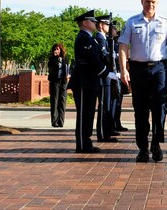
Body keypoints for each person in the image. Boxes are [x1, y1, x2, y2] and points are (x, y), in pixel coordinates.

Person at [118, 0, 167, 163]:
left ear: (157, 3)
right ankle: (143, 148)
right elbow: (123, 46)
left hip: (159, 68)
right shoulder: (131, 22)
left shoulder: (166, 22)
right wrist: (124, 70)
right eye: (147, 1)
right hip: (137, 69)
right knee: (140, 109)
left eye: (153, 2)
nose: (150, 5)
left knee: (160, 107)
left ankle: (156, 143)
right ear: (141, 2)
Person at [72, 10, 114, 153]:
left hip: (90, 79)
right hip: (84, 80)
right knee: (84, 113)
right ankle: (83, 143)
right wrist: (107, 73)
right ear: (85, 23)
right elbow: (92, 58)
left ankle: (86, 142)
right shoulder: (84, 37)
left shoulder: (90, 38)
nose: (96, 23)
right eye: (92, 21)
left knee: (89, 112)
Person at [94, 15, 117, 142]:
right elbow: (104, 57)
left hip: (107, 77)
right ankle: (102, 134)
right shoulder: (100, 38)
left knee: (107, 106)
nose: (109, 27)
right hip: (103, 78)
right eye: (107, 24)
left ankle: (106, 132)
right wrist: (112, 54)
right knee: (103, 107)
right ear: (101, 25)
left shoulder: (104, 39)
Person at [47, 43, 69, 128]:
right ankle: (54, 121)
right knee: (55, 101)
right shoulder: (52, 59)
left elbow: (67, 68)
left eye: (58, 49)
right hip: (55, 81)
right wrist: (56, 58)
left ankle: (61, 121)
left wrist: (68, 75)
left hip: (63, 82)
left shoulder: (65, 59)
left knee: (62, 101)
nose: (56, 51)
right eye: (55, 49)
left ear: (61, 50)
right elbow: (50, 66)